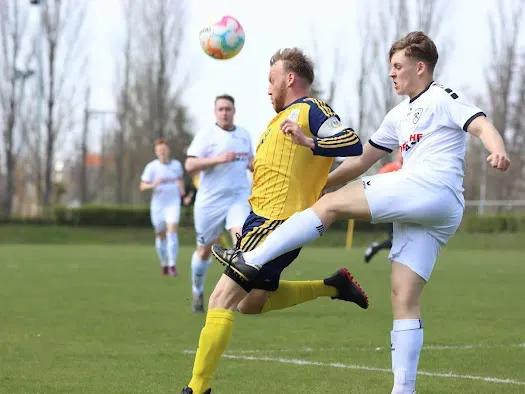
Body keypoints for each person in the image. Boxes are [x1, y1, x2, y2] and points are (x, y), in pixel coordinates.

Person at [213, 32, 510, 394]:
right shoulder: (398, 115)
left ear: (420, 67)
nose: (392, 74)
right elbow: (362, 160)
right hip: (433, 212)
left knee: (331, 208)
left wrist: (497, 149)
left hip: (432, 187)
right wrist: (325, 185)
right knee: (403, 296)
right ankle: (404, 389)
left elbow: (480, 124)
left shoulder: (442, 97)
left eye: (398, 66)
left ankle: (253, 258)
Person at [180, 48, 367, 394]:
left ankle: (198, 387)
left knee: (220, 298)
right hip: (259, 222)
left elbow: (351, 142)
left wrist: (309, 140)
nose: (268, 88)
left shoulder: (311, 108)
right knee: (250, 303)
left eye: (271, 79)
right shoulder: (275, 122)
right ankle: (334, 285)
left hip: (276, 224)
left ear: (290, 79)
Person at [184, 94, 254, 313]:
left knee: (242, 243)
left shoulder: (244, 135)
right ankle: (197, 290)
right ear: (215, 112)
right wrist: (217, 159)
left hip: (238, 198)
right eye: (221, 109)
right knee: (203, 251)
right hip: (210, 201)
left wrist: (257, 166)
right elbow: (189, 164)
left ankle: (233, 297)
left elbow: (250, 162)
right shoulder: (206, 135)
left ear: (234, 111)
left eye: (228, 109)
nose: (225, 112)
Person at [140, 139, 185, 276]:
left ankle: (172, 264)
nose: (162, 152)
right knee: (161, 236)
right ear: (156, 152)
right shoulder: (152, 167)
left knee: (172, 232)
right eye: (160, 150)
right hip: (158, 205)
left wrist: (182, 190)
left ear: (168, 150)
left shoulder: (176, 165)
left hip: (173, 204)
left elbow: (180, 180)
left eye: (164, 149)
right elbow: (142, 186)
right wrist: (153, 184)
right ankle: (164, 263)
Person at [364, 149, 403, 263]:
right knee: (395, 239)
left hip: (400, 207)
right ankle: (379, 249)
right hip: (392, 207)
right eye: (401, 153)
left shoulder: (406, 169)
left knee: (400, 238)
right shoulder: (394, 167)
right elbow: (376, 181)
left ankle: (393, 255)